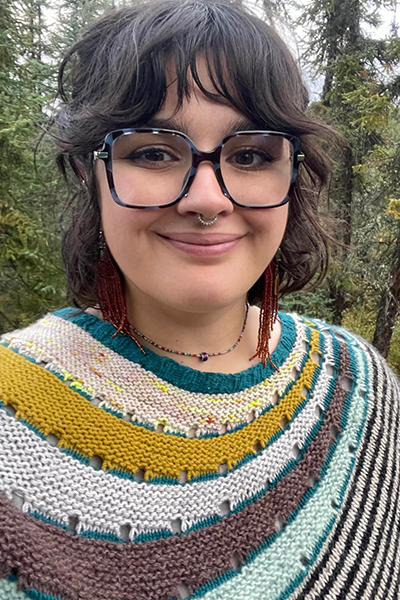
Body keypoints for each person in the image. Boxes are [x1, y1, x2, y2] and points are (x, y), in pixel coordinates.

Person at [0, 0, 399, 598]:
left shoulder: (361, 392)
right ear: (90, 171)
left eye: (250, 155)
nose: (208, 200)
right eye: (154, 152)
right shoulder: (10, 420)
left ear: (292, 174)